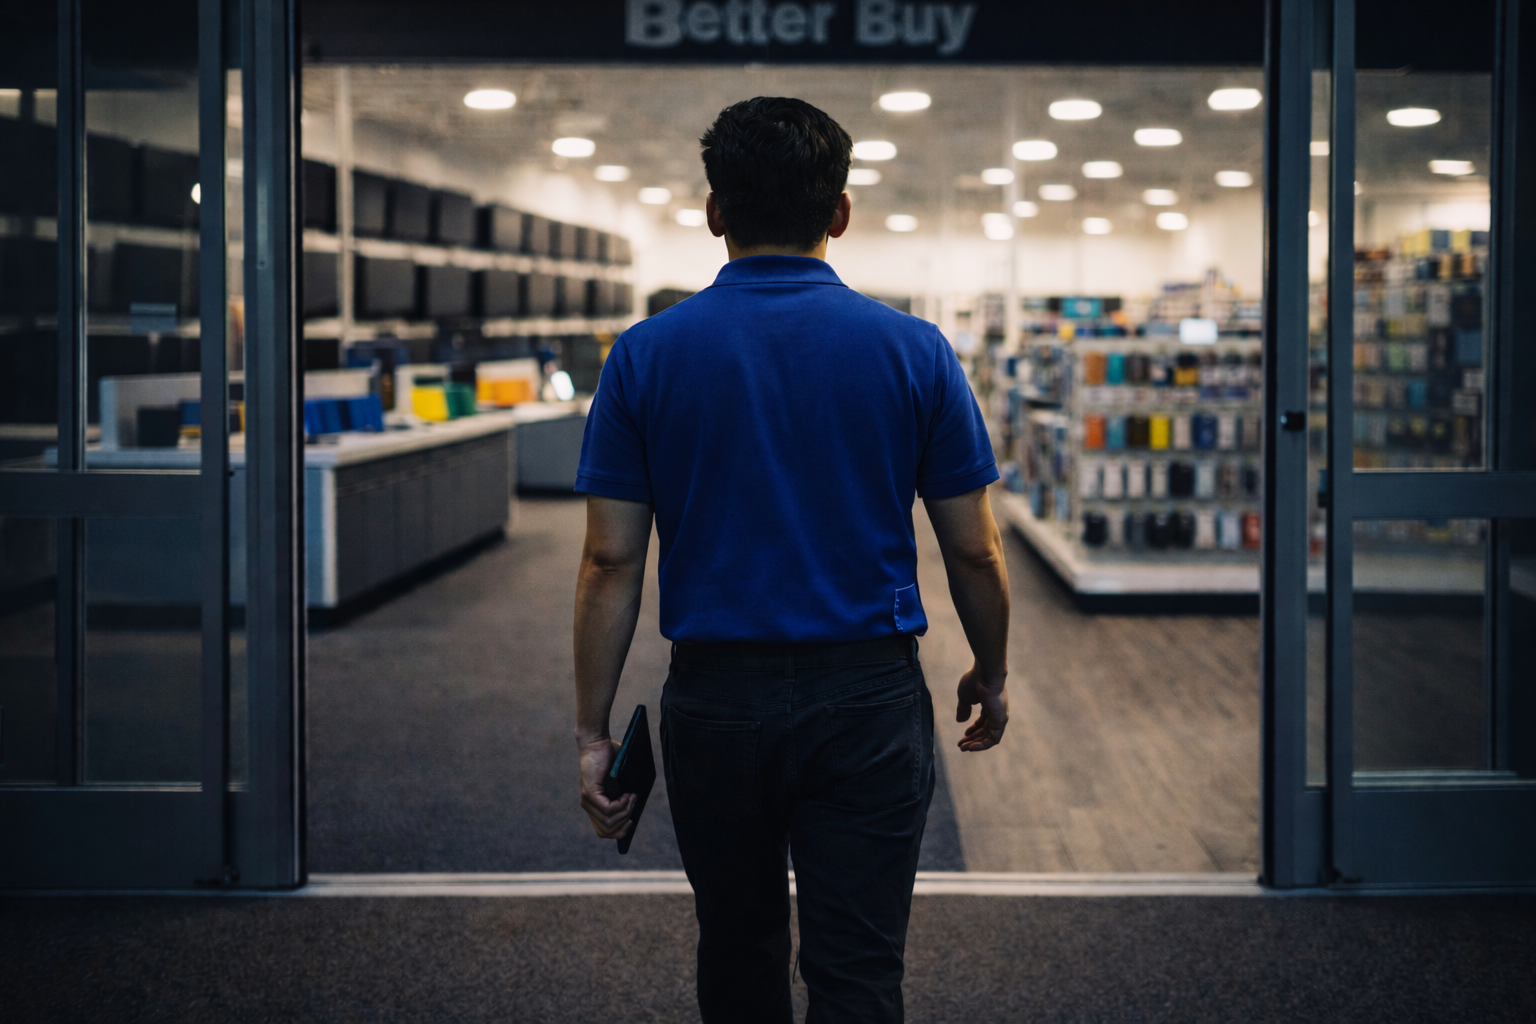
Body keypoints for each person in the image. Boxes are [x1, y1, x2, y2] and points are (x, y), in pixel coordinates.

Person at [572, 96, 1011, 1024]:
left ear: (715, 211)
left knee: (738, 951)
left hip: (717, 702)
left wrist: (592, 733)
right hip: (868, 699)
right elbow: (972, 546)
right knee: (857, 970)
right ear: (839, 212)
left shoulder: (643, 357)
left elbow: (611, 563)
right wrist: (992, 671)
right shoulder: (915, 352)